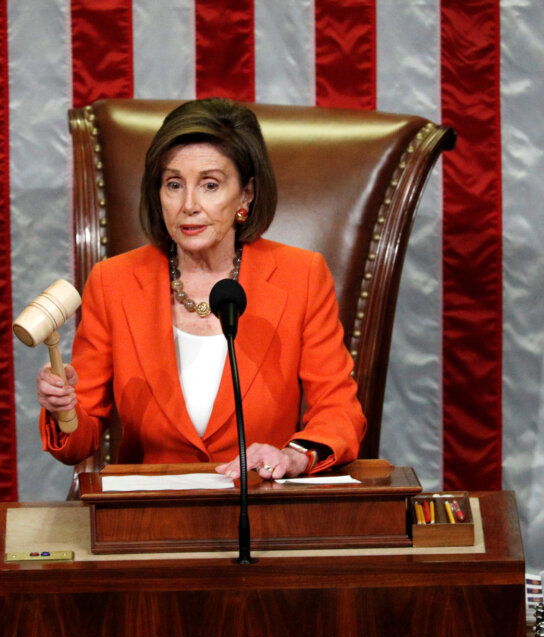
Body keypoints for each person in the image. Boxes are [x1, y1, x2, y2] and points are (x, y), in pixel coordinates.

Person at [37, 98, 365, 480]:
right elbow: (80, 440)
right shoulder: (114, 282)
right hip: (150, 521)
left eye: (210, 185)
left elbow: (339, 410)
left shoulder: (301, 276)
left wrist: (293, 457)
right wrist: (64, 409)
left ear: (246, 194)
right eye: (174, 184)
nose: (188, 205)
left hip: (259, 506)